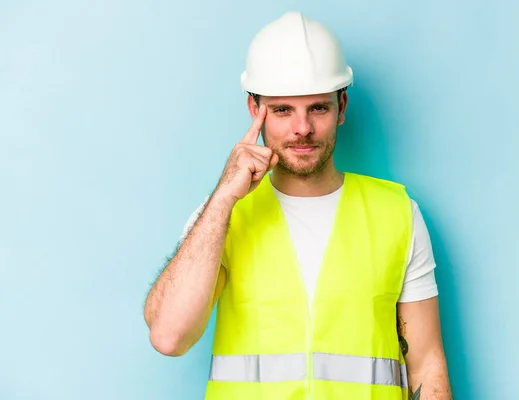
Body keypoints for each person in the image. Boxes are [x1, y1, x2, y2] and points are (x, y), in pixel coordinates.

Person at [144, 11, 452, 400]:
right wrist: (223, 197)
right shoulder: (223, 215)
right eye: (283, 109)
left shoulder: (397, 213)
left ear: (342, 107)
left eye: (317, 108)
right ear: (255, 111)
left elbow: (426, 362)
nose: (302, 128)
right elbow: (169, 336)